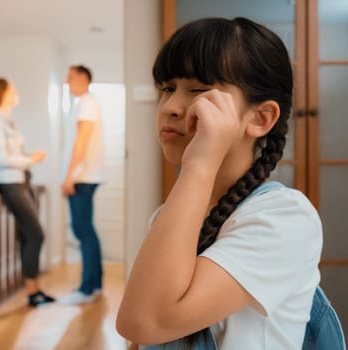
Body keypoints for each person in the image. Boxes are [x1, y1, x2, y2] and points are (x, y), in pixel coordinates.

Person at [116, 17, 324, 349]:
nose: (170, 107)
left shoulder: (284, 218)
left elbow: (144, 322)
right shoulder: (165, 218)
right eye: (167, 88)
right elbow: (137, 341)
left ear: (260, 118)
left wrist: (199, 163)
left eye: (198, 91)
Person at [0, 78, 55, 307]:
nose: (16, 92)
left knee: (27, 235)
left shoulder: (8, 120)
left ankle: (33, 290)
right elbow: (1, 158)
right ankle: (32, 290)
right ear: (1, 93)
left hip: (21, 180)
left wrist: (29, 159)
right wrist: (31, 159)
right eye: (12, 89)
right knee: (36, 234)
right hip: (8, 182)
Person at [59, 65, 106, 305]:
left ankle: (87, 288)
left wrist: (69, 177)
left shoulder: (86, 103)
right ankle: (94, 284)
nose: (67, 81)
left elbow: (82, 141)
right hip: (84, 176)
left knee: (83, 231)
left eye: (71, 77)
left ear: (84, 78)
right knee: (86, 230)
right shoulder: (84, 103)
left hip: (82, 177)